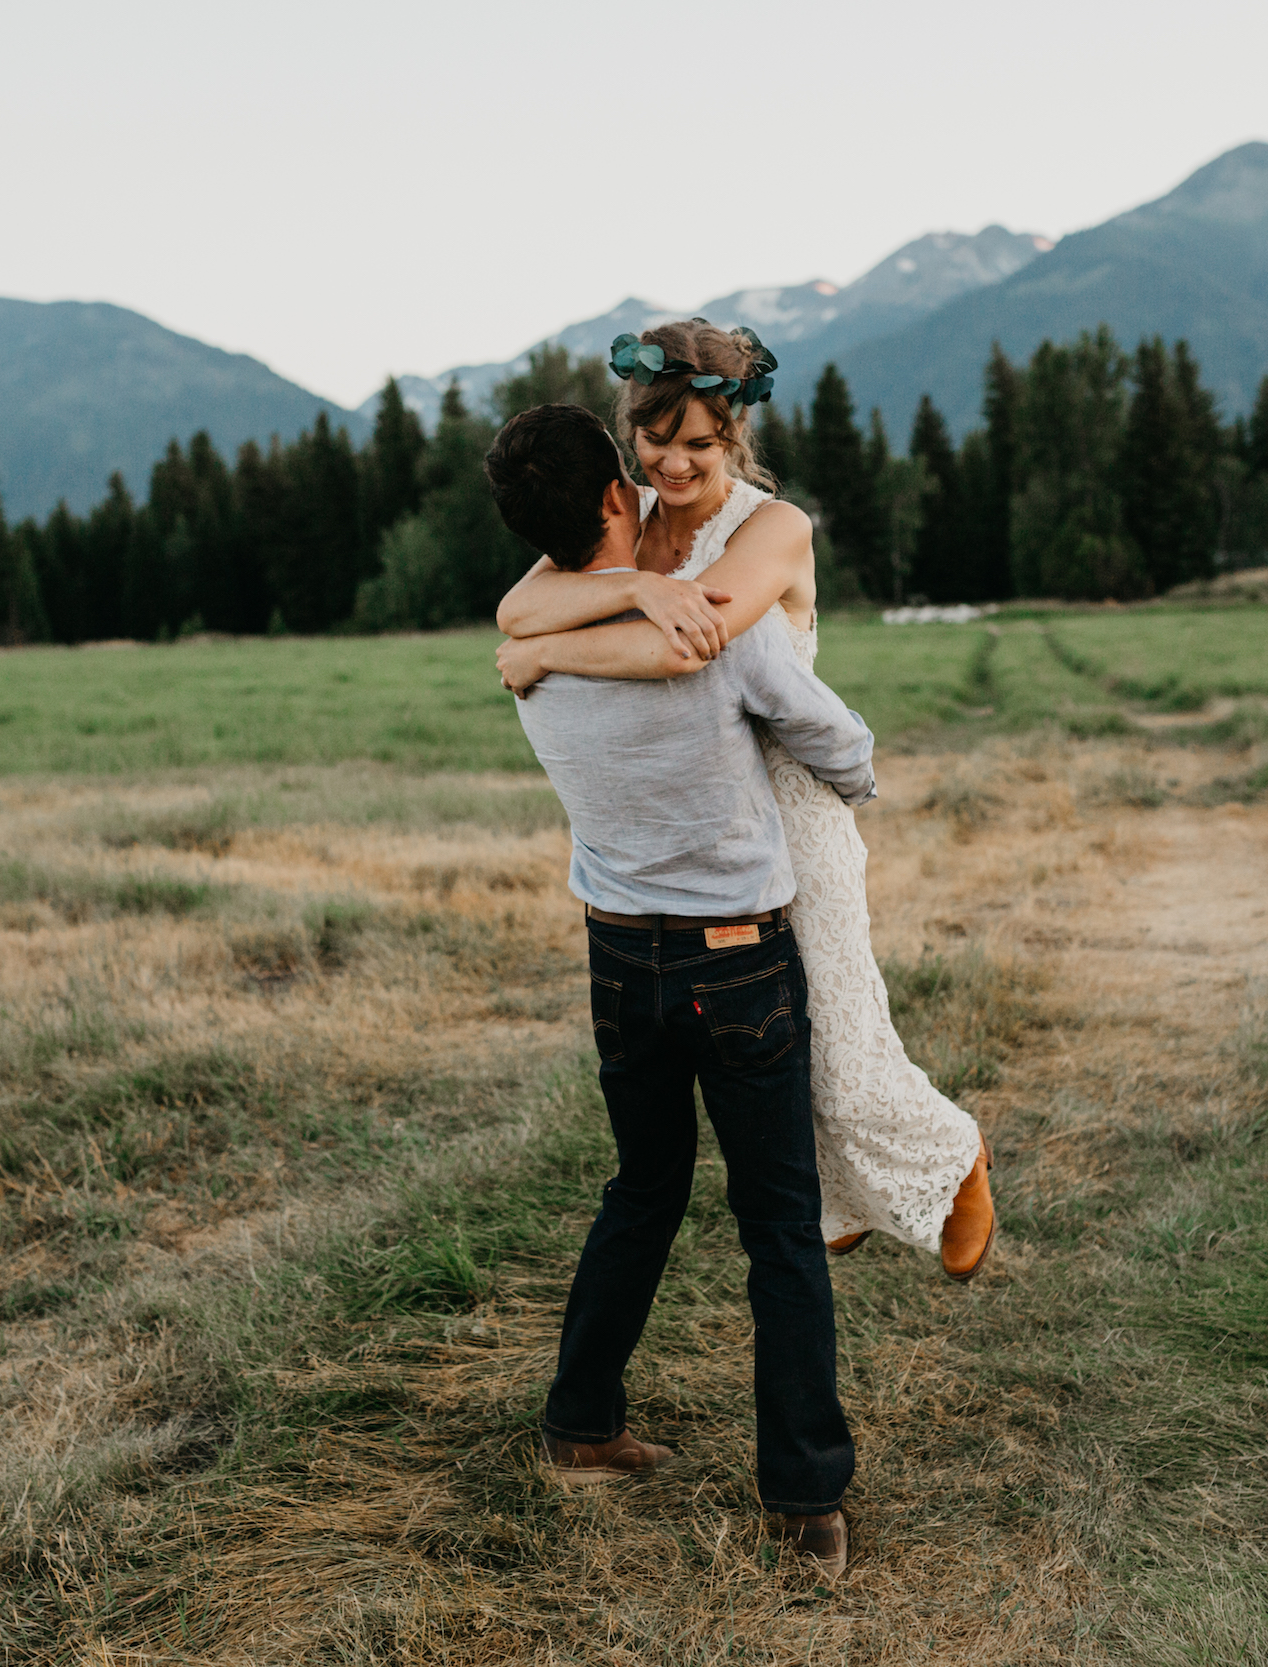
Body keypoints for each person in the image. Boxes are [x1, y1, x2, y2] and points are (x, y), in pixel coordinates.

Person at [494, 319, 994, 1281]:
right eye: (655, 440)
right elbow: (518, 606)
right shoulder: (628, 518)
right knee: (769, 1050)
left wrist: (552, 649)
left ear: (735, 440)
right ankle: (839, 1198)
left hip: (792, 810)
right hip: (702, 810)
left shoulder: (773, 529)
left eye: (699, 444)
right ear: (628, 431)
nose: (673, 465)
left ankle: (953, 1156)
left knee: (839, 1042)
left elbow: (689, 647)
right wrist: (636, 585)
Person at [482, 400, 875, 1579]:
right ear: (617, 496)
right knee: (778, 1226)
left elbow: (528, 619)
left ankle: (580, 1423)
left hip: (617, 954)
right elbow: (842, 746)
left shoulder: (532, 657)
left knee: (642, 1188)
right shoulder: (719, 625)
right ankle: (805, 1501)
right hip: (737, 956)